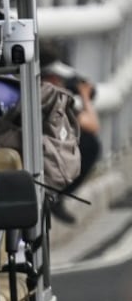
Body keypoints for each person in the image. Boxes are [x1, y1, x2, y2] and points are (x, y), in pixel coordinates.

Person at [40, 49, 101, 223]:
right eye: (56, 78)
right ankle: (56, 195)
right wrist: (84, 95)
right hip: (45, 159)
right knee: (90, 144)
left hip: (44, 156)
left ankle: (55, 195)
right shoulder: (50, 100)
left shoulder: (46, 98)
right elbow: (92, 126)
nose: (60, 83)